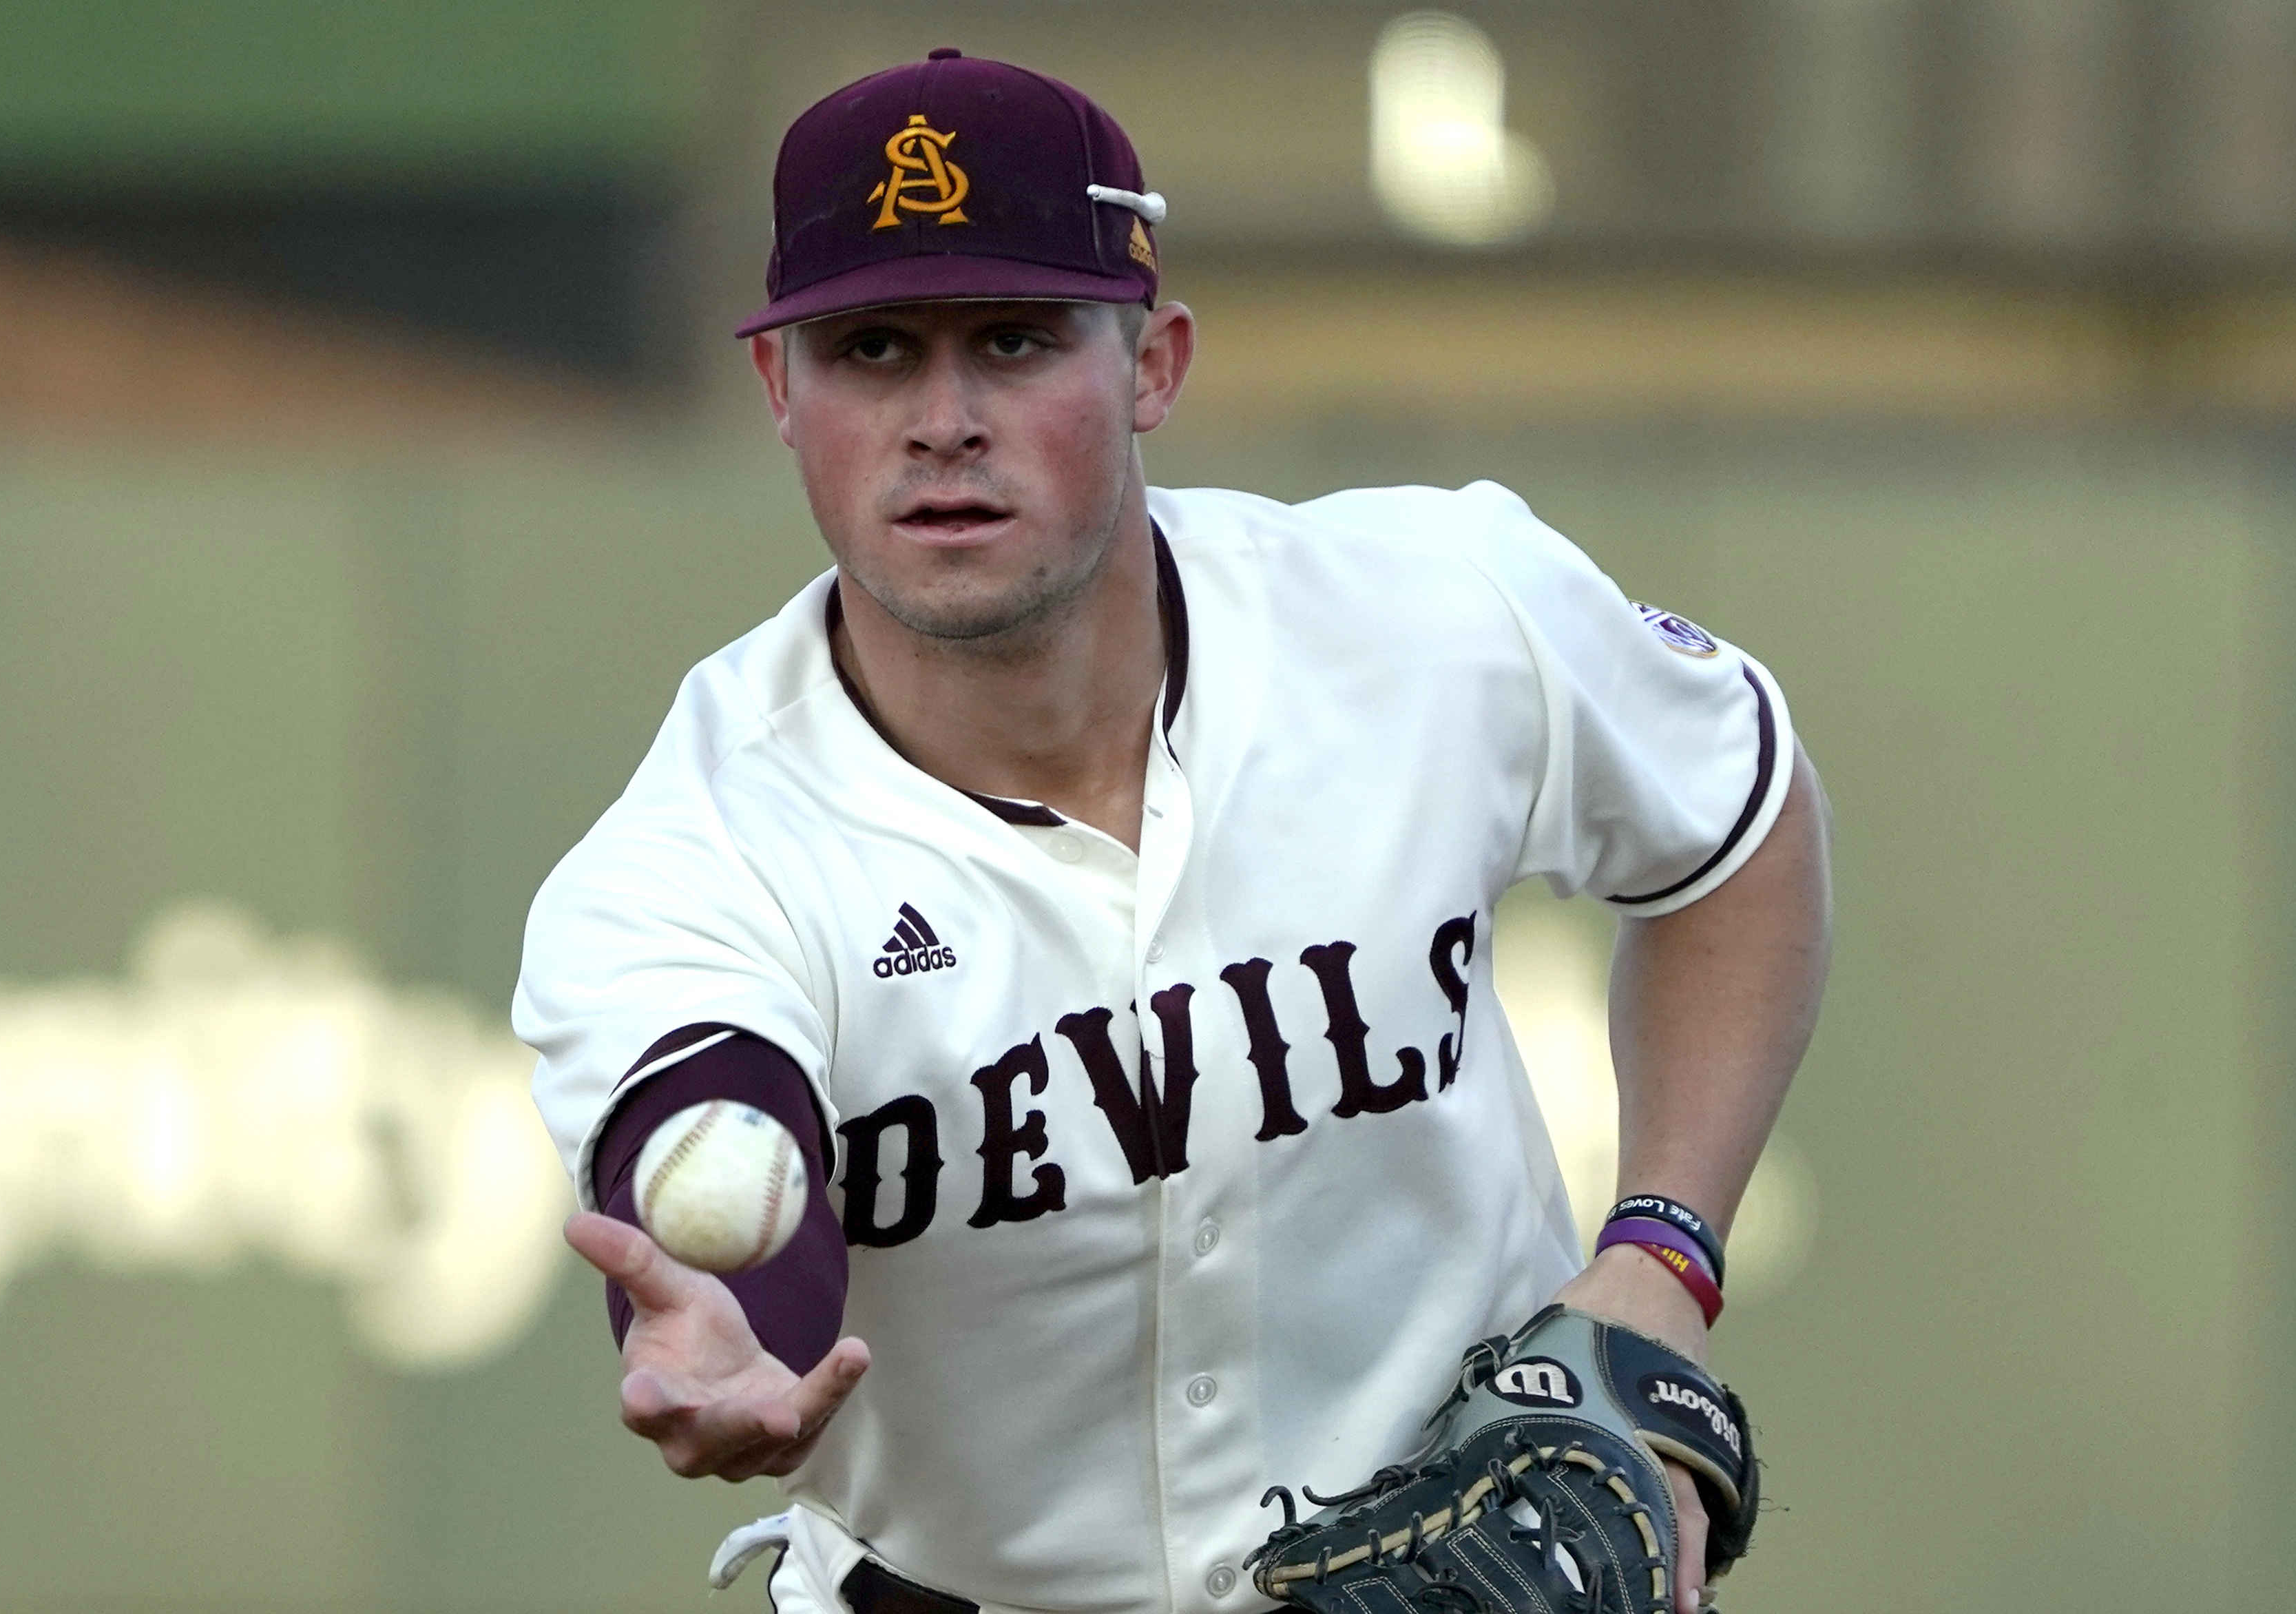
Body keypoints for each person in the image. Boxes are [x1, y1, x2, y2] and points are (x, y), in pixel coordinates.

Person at [515, 47, 1831, 1614]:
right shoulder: (692, 858)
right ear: (780, 392)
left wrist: (1661, 1259)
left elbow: (1736, 817)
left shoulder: (1429, 616)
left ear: (1152, 364)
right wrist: (728, 1322)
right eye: (872, 349)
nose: (943, 419)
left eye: (1013, 340)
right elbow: (717, 1134)